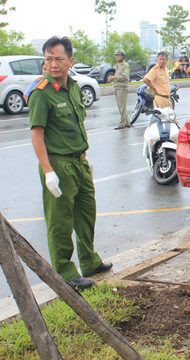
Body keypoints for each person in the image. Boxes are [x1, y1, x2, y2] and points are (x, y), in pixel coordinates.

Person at [28, 36, 112, 290]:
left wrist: (85, 158)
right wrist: (47, 171)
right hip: (59, 165)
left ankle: (89, 261)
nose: (53, 64)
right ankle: (65, 273)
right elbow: (36, 134)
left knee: (86, 214)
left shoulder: (74, 87)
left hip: (79, 162)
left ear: (70, 61)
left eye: (58, 59)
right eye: (48, 59)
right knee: (60, 222)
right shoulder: (42, 93)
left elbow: (76, 126)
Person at [108, 49, 131, 130]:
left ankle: (122, 124)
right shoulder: (117, 65)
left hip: (122, 88)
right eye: (116, 55)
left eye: (118, 55)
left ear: (123, 56)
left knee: (122, 107)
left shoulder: (126, 65)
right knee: (120, 106)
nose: (117, 56)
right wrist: (111, 78)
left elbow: (125, 77)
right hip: (117, 87)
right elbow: (117, 75)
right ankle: (127, 122)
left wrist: (115, 77)